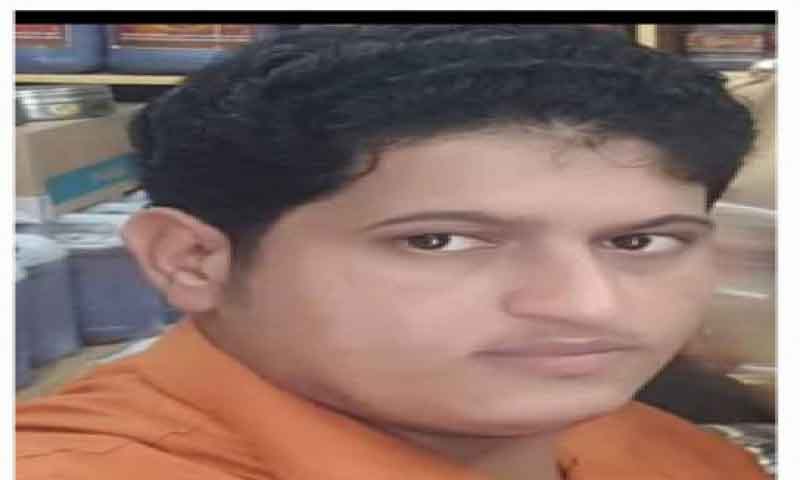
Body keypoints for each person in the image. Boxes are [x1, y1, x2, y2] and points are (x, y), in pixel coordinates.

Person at [16, 25, 770, 479]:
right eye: (439, 241)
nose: (585, 305)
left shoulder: (663, 451)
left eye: (639, 241)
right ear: (190, 260)